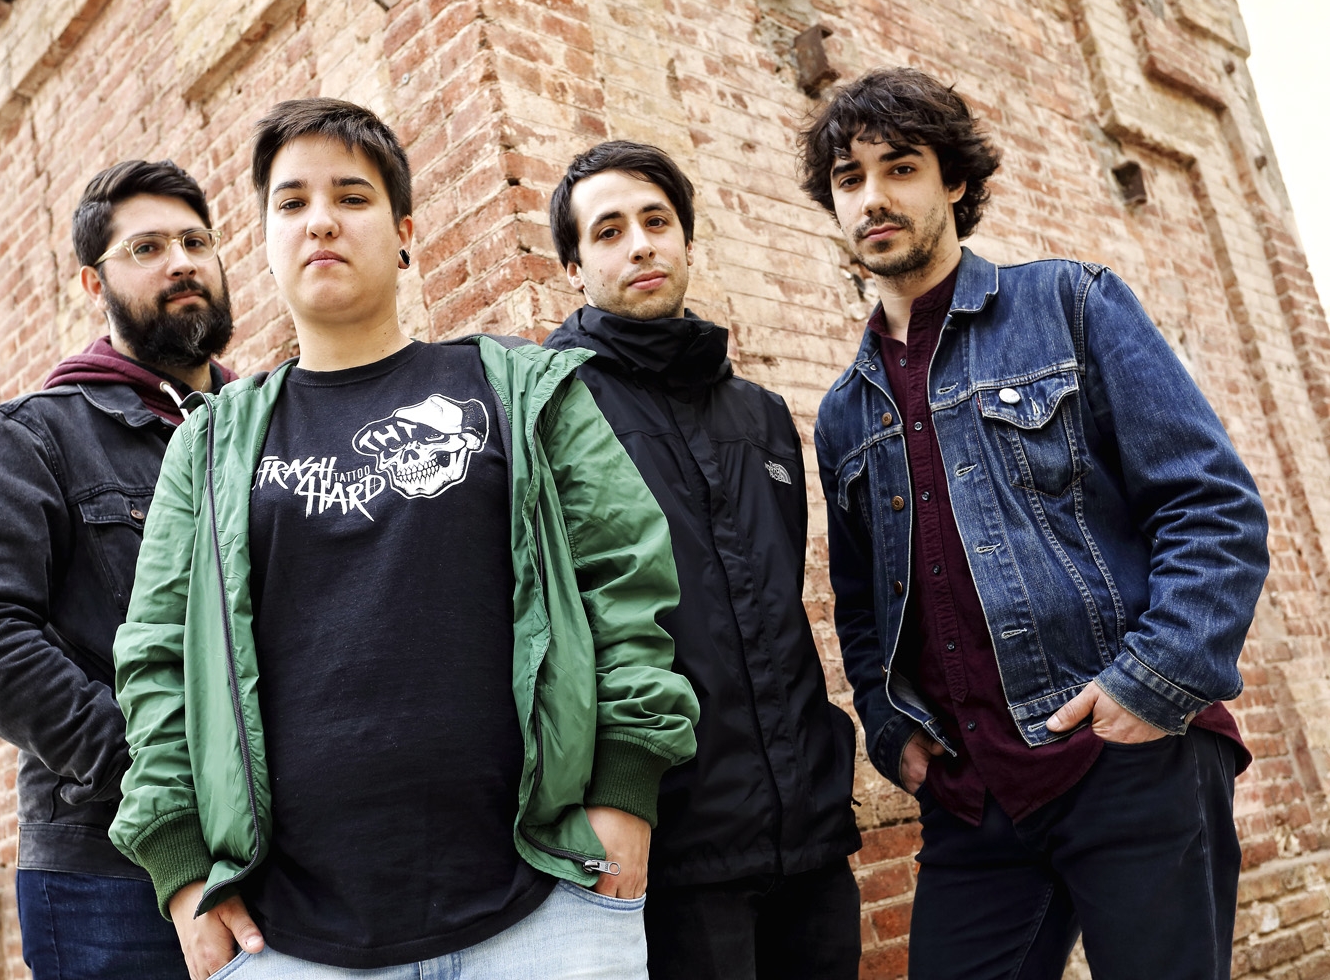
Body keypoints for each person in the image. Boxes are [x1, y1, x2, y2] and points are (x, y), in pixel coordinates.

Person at [107, 98, 700, 980]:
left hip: (546, 906)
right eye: (292, 202)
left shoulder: (520, 389)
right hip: (289, 939)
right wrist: (181, 866)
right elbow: (156, 658)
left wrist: (624, 790)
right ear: (265, 242)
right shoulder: (210, 444)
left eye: (352, 197)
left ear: (404, 233)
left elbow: (628, 581)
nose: (321, 221)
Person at [803, 67, 1268, 979]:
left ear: (955, 181)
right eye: (849, 179)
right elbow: (862, 608)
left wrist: (1150, 684)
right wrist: (892, 730)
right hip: (973, 798)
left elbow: (1211, 504)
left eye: (900, 168)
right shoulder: (843, 414)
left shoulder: (1070, 303)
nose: (873, 198)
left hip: (1129, 757)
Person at [0, 159, 238, 979]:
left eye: (195, 242)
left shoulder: (267, 429)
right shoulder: (32, 437)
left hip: (280, 848)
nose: (181, 262)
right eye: (146, 248)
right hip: (107, 876)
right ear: (95, 283)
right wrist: (154, 771)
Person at [542, 141, 861, 979]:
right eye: (609, 231)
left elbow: (782, 608)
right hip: (669, 852)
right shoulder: (553, 410)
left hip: (811, 837)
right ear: (574, 267)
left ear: (686, 239)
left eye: (657, 222)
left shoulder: (761, 416)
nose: (640, 245)